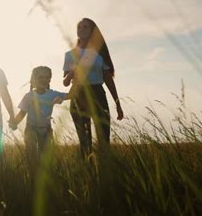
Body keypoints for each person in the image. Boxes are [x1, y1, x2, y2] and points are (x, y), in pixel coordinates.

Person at [63, 18, 123, 158]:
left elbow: (108, 80)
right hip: (78, 95)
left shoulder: (98, 54)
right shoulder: (70, 55)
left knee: (104, 140)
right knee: (85, 141)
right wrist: (72, 73)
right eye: (79, 27)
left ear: (92, 31)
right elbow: (66, 83)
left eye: (85, 27)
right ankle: (88, 174)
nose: (81, 30)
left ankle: (105, 173)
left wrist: (117, 104)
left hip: (97, 94)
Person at [10, 66, 72, 174]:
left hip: (46, 130)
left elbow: (72, 95)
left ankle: (44, 179)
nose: (44, 80)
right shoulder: (29, 96)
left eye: (46, 77)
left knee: (46, 159)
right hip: (31, 129)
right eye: (40, 77)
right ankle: (33, 177)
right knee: (32, 156)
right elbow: (22, 113)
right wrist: (14, 122)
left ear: (49, 80)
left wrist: (75, 78)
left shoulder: (52, 94)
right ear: (34, 79)